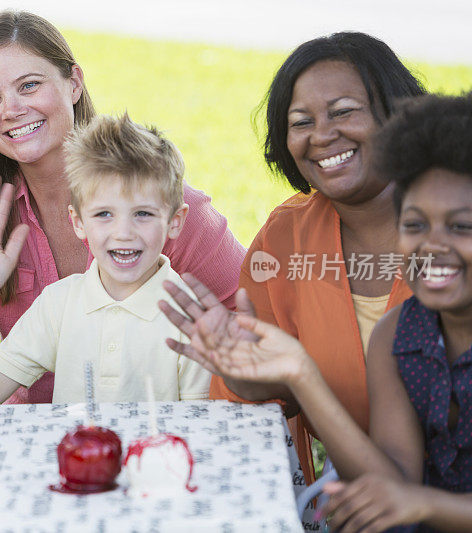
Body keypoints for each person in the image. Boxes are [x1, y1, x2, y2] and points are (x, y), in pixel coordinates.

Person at [0, 10, 244, 403]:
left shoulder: (159, 204)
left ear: (74, 83)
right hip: (42, 433)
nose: (11, 109)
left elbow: (254, 321)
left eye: (30, 85)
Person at [182, 93, 472, 532]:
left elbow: (408, 500)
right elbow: (390, 482)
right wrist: (300, 373)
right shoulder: (401, 333)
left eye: (460, 226)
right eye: (415, 225)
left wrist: (425, 505)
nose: (433, 245)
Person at [161, 32, 427, 483]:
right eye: (301, 122)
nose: (322, 135)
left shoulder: (454, 222)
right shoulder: (285, 240)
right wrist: (249, 377)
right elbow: (259, 400)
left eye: (344, 112)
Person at [0, 114, 211, 404]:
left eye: (143, 214)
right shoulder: (59, 304)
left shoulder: (192, 320)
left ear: (175, 220)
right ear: (78, 221)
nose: (123, 233)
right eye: (103, 214)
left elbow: (198, 426)